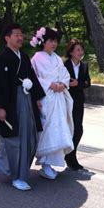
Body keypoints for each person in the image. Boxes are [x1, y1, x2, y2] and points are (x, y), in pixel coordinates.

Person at [0, 23, 45, 191]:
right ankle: (17, 176)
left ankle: (23, 173)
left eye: (21, 35)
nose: (20, 38)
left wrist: (36, 99)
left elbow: (32, 79)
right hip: (11, 103)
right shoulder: (2, 59)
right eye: (16, 35)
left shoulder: (24, 57)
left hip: (26, 100)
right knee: (15, 140)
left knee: (30, 136)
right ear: (7, 38)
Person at [30, 27, 74, 180]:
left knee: (58, 129)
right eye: (50, 41)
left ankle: (51, 163)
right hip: (46, 97)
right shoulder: (36, 58)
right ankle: (45, 164)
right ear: (43, 42)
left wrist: (62, 84)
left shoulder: (57, 58)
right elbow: (34, 78)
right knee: (47, 129)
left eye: (55, 41)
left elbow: (65, 74)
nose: (53, 44)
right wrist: (50, 83)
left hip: (58, 97)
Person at [64, 39, 91, 170]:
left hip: (79, 101)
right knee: (69, 129)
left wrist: (78, 83)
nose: (80, 52)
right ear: (71, 52)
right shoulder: (64, 65)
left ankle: (71, 156)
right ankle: (69, 156)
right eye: (78, 50)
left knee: (78, 129)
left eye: (81, 50)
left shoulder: (84, 65)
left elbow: (87, 82)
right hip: (66, 100)